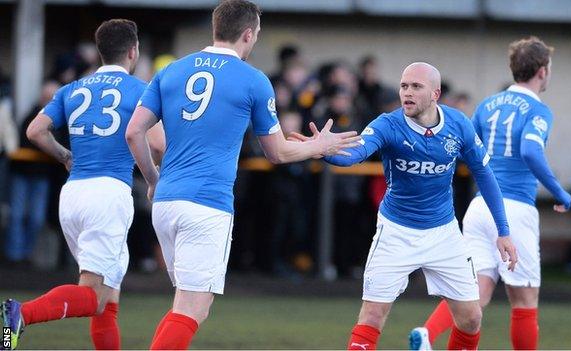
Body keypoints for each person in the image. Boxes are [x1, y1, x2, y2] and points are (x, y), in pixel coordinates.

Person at [124, 1, 359, 349]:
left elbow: (134, 133)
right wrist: (319, 147)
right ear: (249, 34)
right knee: (193, 308)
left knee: (183, 306)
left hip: (167, 201)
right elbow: (277, 152)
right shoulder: (253, 80)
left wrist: (154, 179)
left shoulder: (171, 70)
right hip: (206, 206)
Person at [293, 62, 518, 350]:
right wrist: (321, 149)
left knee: (471, 318)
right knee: (372, 316)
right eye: (403, 86)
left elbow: (485, 174)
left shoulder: (459, 124)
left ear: (435, 93)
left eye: (416, 87)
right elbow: (354, 154)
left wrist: (504, 230)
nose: (407, 93)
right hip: (396, 232)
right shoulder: (388, 124)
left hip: (444, 234)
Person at [412, 37, 571, 351]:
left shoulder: (487, 105)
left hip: (480, 207)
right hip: (514, 210)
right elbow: (530, 150)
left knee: (475, 293)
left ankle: (428, 334)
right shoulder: (539, 110)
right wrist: (560, 192)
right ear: (542, 71)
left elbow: (463, 147)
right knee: (524, 299)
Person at [1, 19, 145, 350]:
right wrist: (155, 176)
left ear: (100, 51)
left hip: (74, 192)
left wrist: (65, 155)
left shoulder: (72, 88)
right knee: (94, 297)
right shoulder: (140, 90)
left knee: (107, 301)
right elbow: (157, 141)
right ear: (133, 51)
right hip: (108, 195)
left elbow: (36, 130)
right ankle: (20, 313)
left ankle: (17, 320)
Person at [4, 80, 60, 266]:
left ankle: (25, 254)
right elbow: (30, 136)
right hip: (22, 171)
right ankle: (14, 256)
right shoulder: (33, 115)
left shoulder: (57, 118)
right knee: (17, 215)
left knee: (36, 217)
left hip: (41, 174)